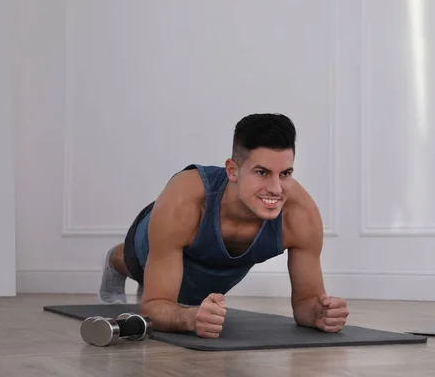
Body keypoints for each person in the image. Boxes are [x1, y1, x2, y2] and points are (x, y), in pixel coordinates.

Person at [99, 113, 349, 338]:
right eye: (262, 172)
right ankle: (114, 260)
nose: (276, 189)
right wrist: (188, 318)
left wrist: (318, 313)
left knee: (191, 297)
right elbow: (154, 305)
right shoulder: (185, 202)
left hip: (219, 270)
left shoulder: (300, 216)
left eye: (285, 173)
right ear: (232, 170)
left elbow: (306, 301)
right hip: (153, 241)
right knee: (140, 267)